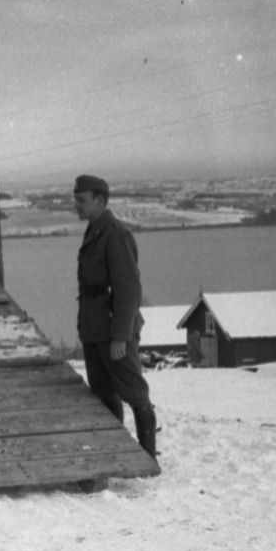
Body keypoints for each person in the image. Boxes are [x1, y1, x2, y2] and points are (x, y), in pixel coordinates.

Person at [73, 174, 158, 459]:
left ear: (100, 201)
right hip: (94, 330)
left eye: (82, 200)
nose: (77, 205)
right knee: (104, 393)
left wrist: (121, 335)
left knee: (134, 392)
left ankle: (148, 455)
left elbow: (129, 288)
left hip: (113, 332)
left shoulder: (115, 234)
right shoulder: (94, 230)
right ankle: (115, 450)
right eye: (76, 199)